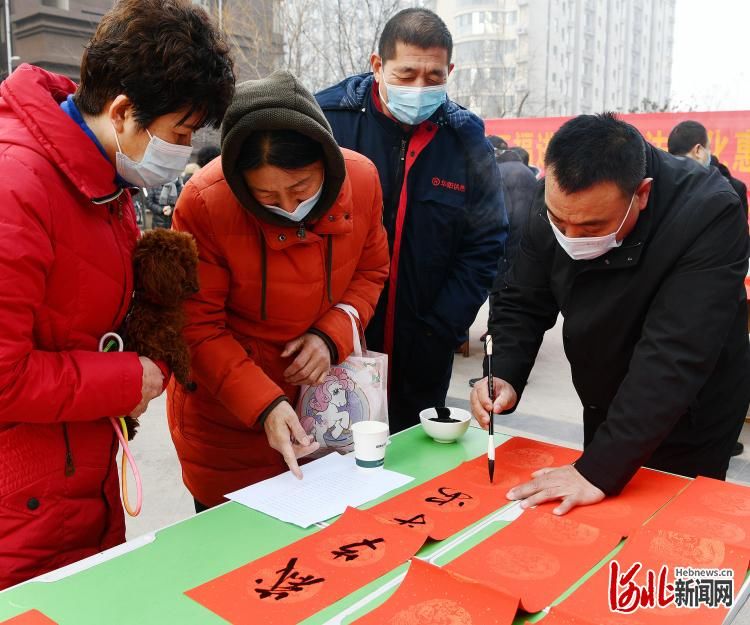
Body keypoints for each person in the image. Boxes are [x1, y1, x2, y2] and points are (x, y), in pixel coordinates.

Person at [0, 0, 234, 589]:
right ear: (123, 110)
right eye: (178, 134)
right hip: (22, 503)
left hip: (77, 472)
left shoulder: (103, 178)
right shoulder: (17, 186)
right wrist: (127, 380)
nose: (181, 151)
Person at [471, 113, 750, 515]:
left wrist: (599, 468)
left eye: (590, 227)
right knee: (598, 520)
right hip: (610, 404)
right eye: (559, 221)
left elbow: (675, 353)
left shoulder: (709, 212)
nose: (569, 236)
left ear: (642, 194)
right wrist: (505, 373)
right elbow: (521, 297)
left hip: (690, 412)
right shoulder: (552, 199)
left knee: (666, 529)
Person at [167, 71, 389, 511]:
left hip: (329, 408)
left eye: (301, 188)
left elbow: (371, 270)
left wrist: (332, 335)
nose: (288, 207)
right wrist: (263, 405)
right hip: (227, 422)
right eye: (267, 196)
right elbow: (196, 326)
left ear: (325, 161)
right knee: (239, 562)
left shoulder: (360, 181)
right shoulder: (205, 203)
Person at [316, 8, 507, 432]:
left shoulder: (465, 138)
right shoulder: (327, 122)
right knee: (328, 460)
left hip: (423, 345)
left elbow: (487, 239)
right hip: (334, 341)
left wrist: (443, 326)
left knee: (409, 464)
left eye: (434, 77)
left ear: (449, 70)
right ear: (377, 65)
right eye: (405, 75)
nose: (420, 88)